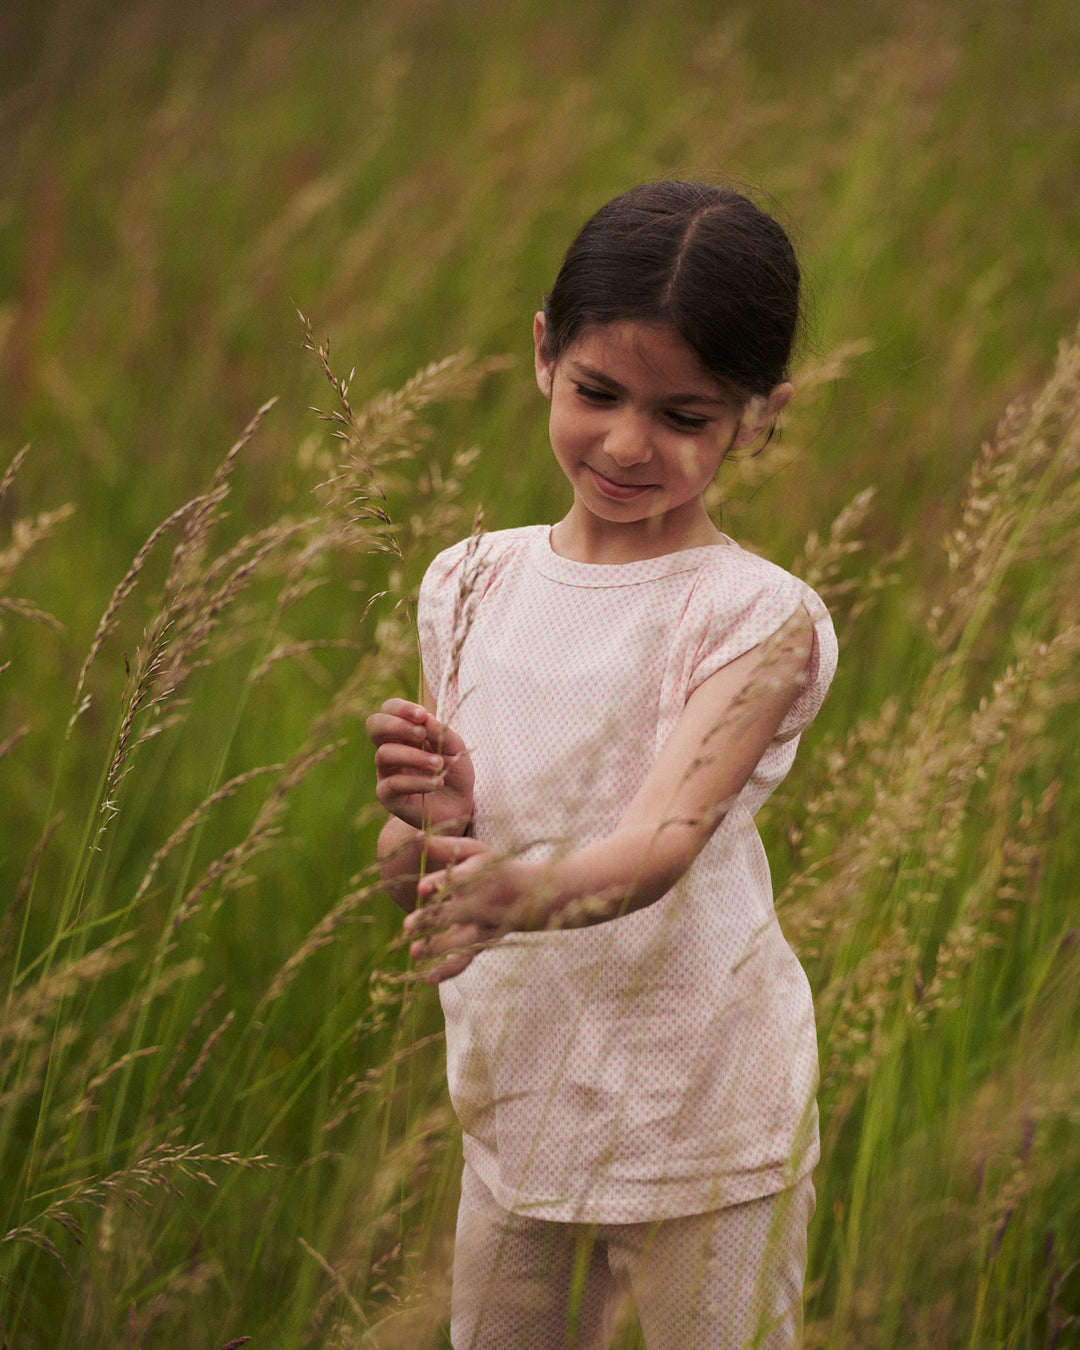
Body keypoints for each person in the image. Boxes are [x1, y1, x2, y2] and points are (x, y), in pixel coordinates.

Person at [366, 180, 838, 1350]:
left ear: (759, 417)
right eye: (597, 393)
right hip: (516, 1112)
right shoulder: (467, 580)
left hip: (705, 1124)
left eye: (686, 416)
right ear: (543, 352)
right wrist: (427, 833)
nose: (629, 444)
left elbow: (662, 847)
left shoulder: (756, 618)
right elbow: (419, 874)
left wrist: (506, 893)